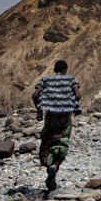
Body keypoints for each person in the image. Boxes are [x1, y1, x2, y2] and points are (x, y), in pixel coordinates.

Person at [32, 60, 82, 191]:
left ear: (55, 69)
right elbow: (78, 95)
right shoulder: (70, 80)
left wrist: (39, 110)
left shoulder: (46, 80)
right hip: (65, 117)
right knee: (61, 142)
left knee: (48, 142)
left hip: (50, 117)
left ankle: (49, 166)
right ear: (65, 69)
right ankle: (55, 166)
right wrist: (69, 102)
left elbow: (35, 95)